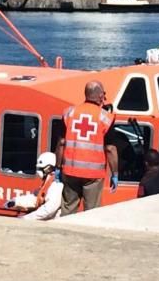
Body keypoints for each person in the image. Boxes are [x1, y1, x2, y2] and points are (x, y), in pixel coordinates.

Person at [55, 80, 118, 215]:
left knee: (68, 209)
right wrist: (115, 174)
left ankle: (65, 234)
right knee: (91, 213)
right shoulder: (105, 117)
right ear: (101, 96)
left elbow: (61, 143)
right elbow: (110, 149)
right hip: (93, 176)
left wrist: (58, 167)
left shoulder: (69, 113)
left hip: (70, 172)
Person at [6, 152, 63, 220]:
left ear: (49, 168)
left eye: (40, 169)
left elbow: (48, 210)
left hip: (53, 222)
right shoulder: (48, 181)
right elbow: (36, 198)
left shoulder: (56, 185)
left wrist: (26, 218)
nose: (38, 172)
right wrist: (16, 201)